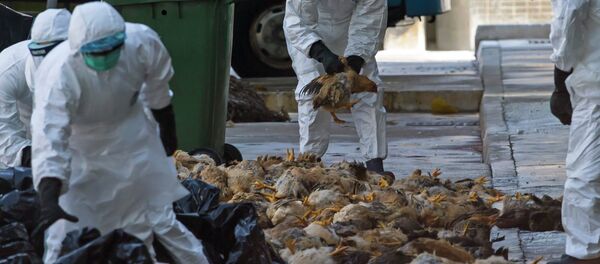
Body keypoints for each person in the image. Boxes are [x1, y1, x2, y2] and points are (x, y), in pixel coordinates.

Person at [30, 2, 209, 263]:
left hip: (130, 138)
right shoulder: (59, 73)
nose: (104, 57)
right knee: (66, 233)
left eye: (111, 49)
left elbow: (157, 85)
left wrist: (166, 128)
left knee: (137, 228)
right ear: (78, 49)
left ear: (122, 39)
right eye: (95, 51)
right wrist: (49, 190)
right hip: (81, 149)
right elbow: (50, 135)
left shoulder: (142, 42)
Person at [283, 0, 389, 174]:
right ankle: (310, 164)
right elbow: (297, 21)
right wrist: (320, 53)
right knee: (312, 93)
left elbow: (370, 19)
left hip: (353, 30)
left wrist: (356, 60)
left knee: (369, 91)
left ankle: (375, 165)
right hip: (309, 33)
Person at [548, 0, 600, 263]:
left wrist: (559, 81)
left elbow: (567, 24)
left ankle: (586, 254)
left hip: (595, 87)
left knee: (585, 171)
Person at [0, 9, 70, 168]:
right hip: (23, 138)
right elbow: (3, 137)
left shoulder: (89, 68)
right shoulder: (6, 70)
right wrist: (33, 157)